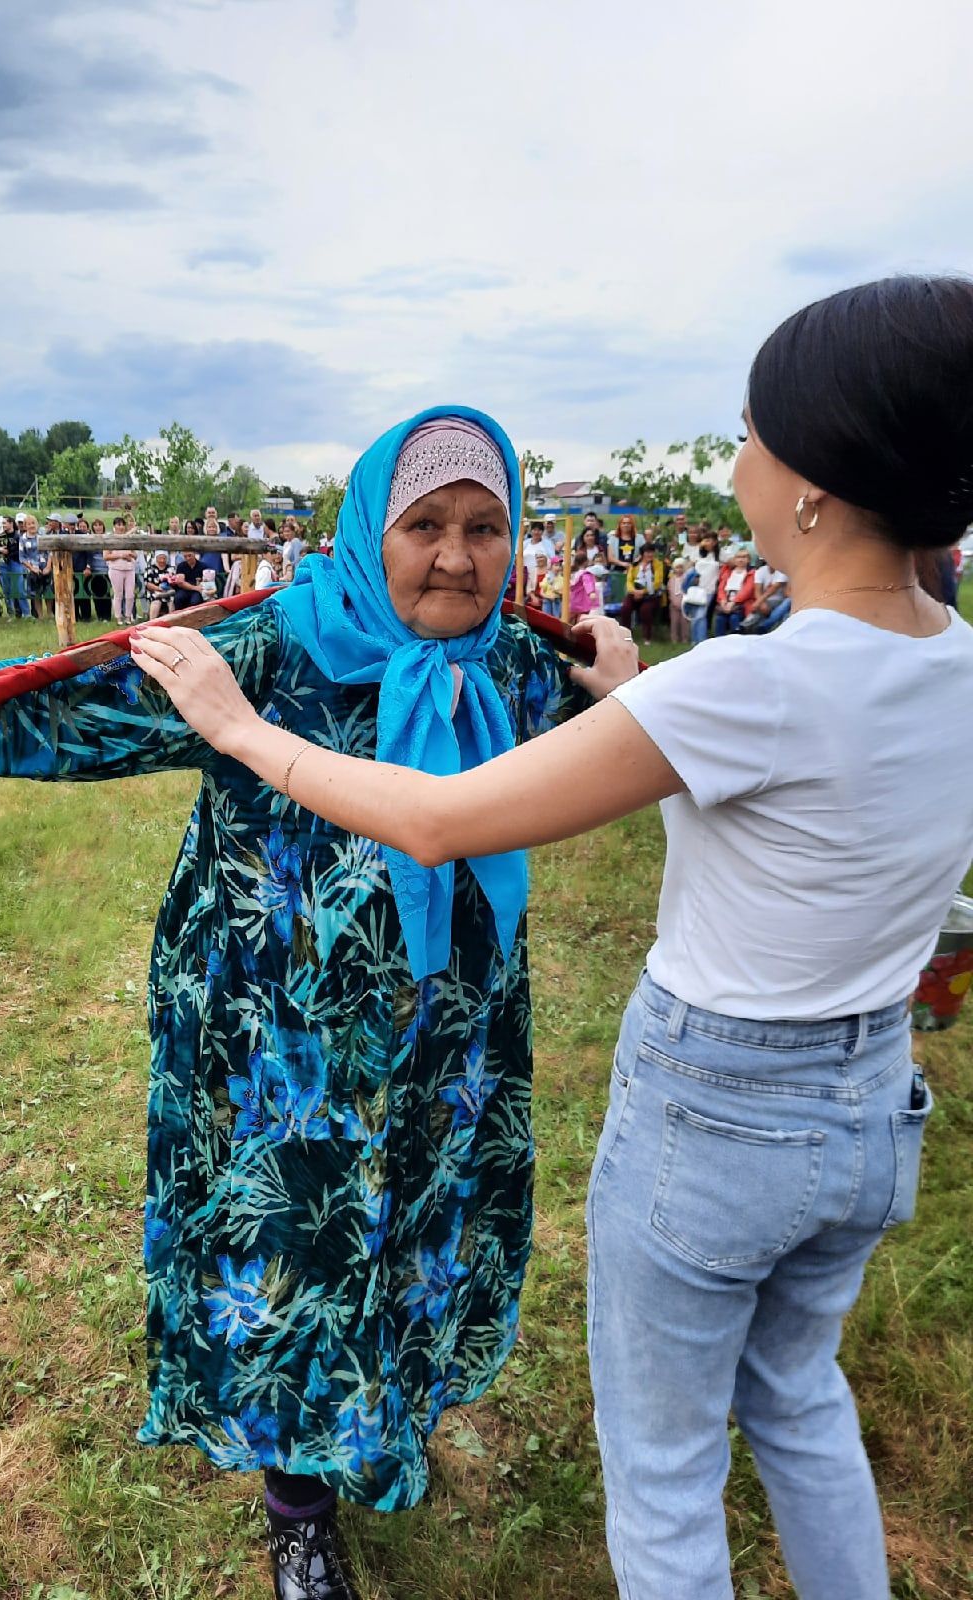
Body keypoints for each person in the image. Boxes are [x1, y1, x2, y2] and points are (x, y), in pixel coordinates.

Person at [123, 277, 973, 1600]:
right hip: (868, 1111)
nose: (734, 456)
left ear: (814, 483)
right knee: (799, 1401)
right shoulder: (952, 663)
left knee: (669, 1469)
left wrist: (241, 733)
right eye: (427, 526)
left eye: (751, 430)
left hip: (720, 1125)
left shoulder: (745, 683)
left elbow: (446, 821)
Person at [0, 405, 597, 1600]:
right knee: (288, 1256)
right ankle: (297, 1500)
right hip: (276, 1048)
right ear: (371, 528)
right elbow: (48, 702)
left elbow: (608, 729)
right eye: (425, 525)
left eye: (484, 526)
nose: (459, 558)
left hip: (448, 1040)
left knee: (415, 1228)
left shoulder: (519, 663)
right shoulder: (267, 651)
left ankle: (383, 1426)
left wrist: (614, 676)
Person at [618, 542, 667, 643]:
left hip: (651, 595)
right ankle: (626, 634)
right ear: (642, 553)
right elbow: (629, 580)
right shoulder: (635, 564)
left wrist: (642, 592)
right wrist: (633, 591)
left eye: (652, 552)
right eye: (647, 552)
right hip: (634, 592)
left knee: (645, 610)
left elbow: (657, 583)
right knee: (625, 608)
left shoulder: (658, 564)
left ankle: (647, 637)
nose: (650, 555)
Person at [714, 547, 756, 633]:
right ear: (734, 559)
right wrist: (723, 601)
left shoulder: (752, 573)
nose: (741, 560)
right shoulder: (727, 572)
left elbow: (747, 590)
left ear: (749, 560)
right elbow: (721, 588)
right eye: (738, 557)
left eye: (744, 557)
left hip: (741, 604)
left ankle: (736, 642)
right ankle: (719, 643)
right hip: (726, 601)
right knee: (719, 619)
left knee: (734, 618)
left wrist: (733, 602)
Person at [744, 560, 791, 632]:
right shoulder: (760, 571)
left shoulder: (783, 571)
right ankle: (746, 627)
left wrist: (759, 602)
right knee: (757, 610)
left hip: (779, 601)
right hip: (765, 601)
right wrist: (761, 603)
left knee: (788, 602)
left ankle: (765, 625)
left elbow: (774, 588)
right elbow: (757, 590)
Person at [105, 520, 137, 623]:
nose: (121, 527)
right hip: (116, 569)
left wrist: (130, 556)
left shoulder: (129, 539)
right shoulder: (109, 539)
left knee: (130, 594)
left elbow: (135, 555)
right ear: (114, 526)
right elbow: (106, 556)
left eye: (123, 524)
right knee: (118, 594)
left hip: (129, 569)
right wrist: (121, 556)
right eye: (119, 525)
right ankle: (118, 617)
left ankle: (128, 616)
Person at [0, 515, 29, 619]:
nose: (3, 525)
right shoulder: (1, 536)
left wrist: (8, 552)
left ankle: (26, 613)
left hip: (15, 562)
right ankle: (11, 613)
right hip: (3, 563)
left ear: (11, 523)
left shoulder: (18, 536)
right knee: (6, 589)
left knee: (19, 588)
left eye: (5, 523)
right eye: (2, 523)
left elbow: (19, 552)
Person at [87, 519, 112, 620]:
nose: (98, 527)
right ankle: (100, 616)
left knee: (106, 593)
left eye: (100, 525)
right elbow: (88, 554)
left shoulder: (108, 538)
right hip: (94, 569)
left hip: (106, 569)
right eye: (95, 525)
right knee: (96, 594)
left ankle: (107, 616)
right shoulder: (90, 539)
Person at [145, 551, 176, 619]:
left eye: (164, 558)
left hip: (168, 591)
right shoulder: (150, 569)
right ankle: (152, 622)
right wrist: (158, 588)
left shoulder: (171, 569)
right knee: (156, 601)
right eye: (160, 558)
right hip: (154, 591)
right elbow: (147, 583)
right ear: (156, 558)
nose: (162, 560)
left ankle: (172, 621)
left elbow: (174, 582)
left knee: (171, 601)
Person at [667, 555, 691, 643]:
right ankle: (674, 639)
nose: (679, 570)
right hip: (674, 604)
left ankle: (685, 638)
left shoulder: (686, 579)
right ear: (674, 568)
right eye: (677, 568)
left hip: (684, 603)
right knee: (674, 622)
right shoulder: (671, 579)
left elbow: (688, 590)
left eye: (681, 567)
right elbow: (670, 591)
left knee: (684, 622)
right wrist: (673, 601)